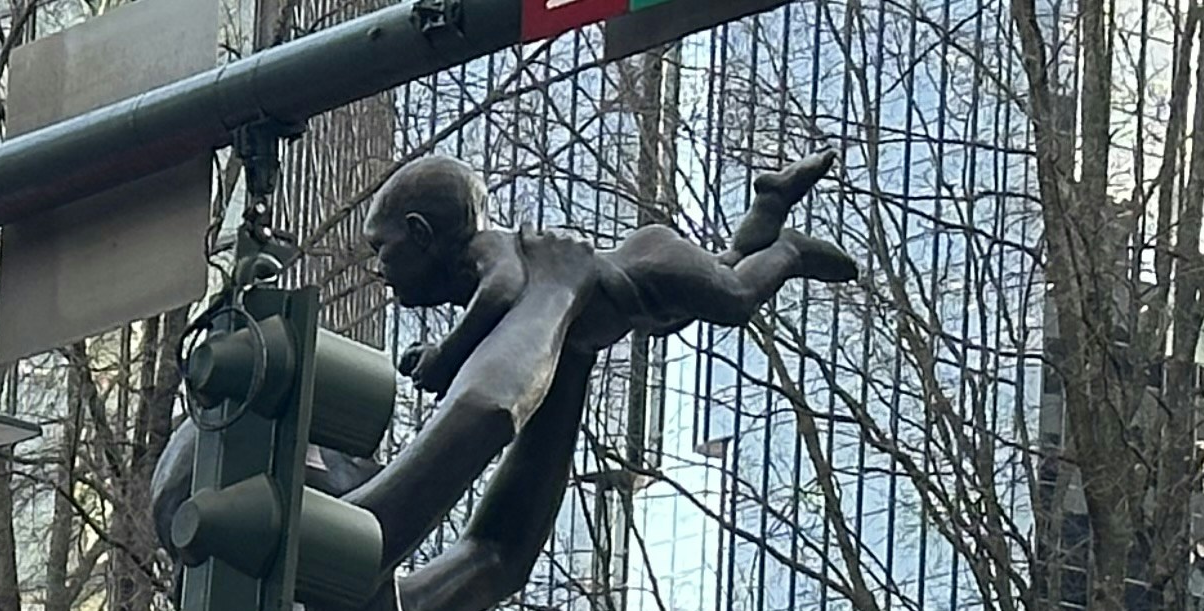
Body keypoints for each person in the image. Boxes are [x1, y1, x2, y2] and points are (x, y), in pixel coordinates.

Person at [364, 152, 856, 509]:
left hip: (648, 270)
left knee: (734, 295)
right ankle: (770, 201)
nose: (377, 266)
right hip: (638, 303)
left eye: (380, 248)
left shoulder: (489, 250)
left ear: (422, 233)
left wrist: (446, 356)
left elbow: (501, 291)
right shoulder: (478, 267)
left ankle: (788, 249)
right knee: (728, 265)